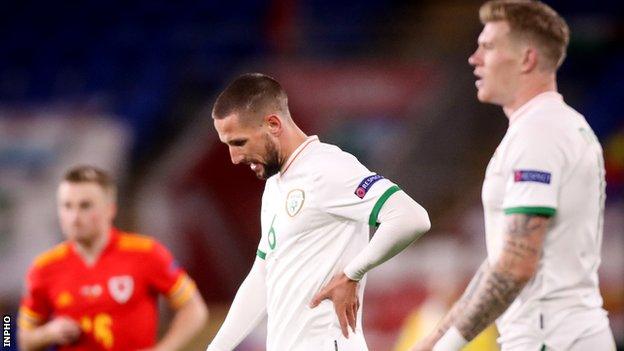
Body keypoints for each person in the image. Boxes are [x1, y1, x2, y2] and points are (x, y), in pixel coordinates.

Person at [411, 1, 616, 350]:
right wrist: (431, 342)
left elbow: (516, 266)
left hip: (549, 337)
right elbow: (503, 259)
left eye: (488, 47)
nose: (474, 58)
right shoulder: (555, 124)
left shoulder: (538, 133)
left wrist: (446, 347)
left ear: (527, 58)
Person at [206, 73, 431, 351]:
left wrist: (353, 273)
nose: (234, 157)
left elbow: (410, 217)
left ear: (273, 124)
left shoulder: (327, 167)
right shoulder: (276, 183)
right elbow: (263, 275)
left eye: (239, 142)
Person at [18, 165, 208, 351]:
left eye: (85, 206)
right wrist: (48, 333)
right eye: (67, 206)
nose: (74, 217)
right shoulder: (43, 268)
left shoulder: (146, 253)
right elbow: (16, 337)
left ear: (110, 209)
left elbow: (195, 309)